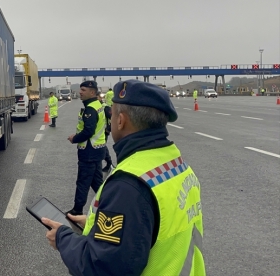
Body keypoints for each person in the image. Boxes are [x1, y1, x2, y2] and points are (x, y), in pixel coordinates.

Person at [43, 79, 205, 276]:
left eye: (112, 114)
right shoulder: (177, 166)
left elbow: (101, 267)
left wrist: (62, 238)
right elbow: (150, 228)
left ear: (120, 120)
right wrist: (99, 225)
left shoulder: (129, 184)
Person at [66, 80, 106, 215]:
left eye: (83, 90)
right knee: (97, 183)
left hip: (89, 151)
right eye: (80, 89)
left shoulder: (90, 109)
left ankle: (77, 210)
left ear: (92, 92)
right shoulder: (97, 104)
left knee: (83, 182)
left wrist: (74, 139)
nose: (80, 92)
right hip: (97, 149)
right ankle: (108, 205)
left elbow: (89, 131)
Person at [102, 87, 115, 172]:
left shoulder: (105, 107)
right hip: (96, 132)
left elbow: (113, 117)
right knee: (102, 147)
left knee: (102, 147)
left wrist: (109, 128)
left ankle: (109, 163)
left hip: (104, 131)